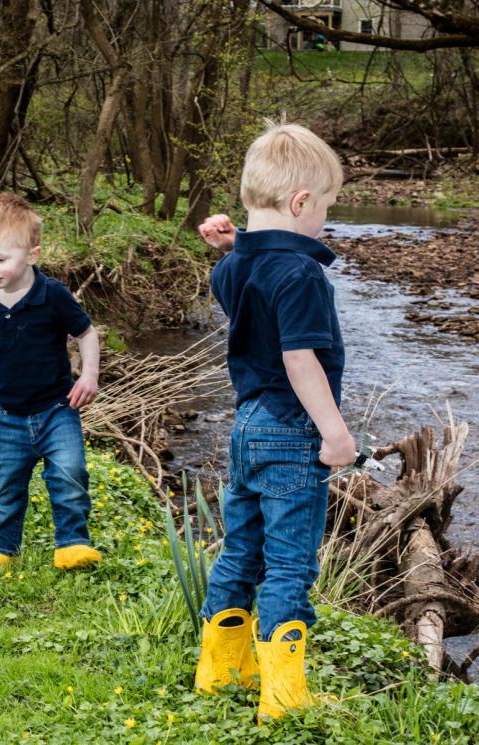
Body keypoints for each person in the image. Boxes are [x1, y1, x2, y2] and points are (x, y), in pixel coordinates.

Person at [192, 120, 356, 720]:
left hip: (245, 430)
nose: (325, 222)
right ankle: (284, 696)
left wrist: (232, 246)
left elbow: (237, 279)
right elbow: (299, 356)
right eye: (326, 209)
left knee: (239, 552)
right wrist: (335, 432)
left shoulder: (234, 265)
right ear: (300, 202)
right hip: (291, 429)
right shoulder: (302, 273)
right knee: (289, 564)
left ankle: (219, 671)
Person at [0, 192, 103, 572]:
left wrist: (88, 375)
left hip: (57, 410)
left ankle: (72, 544)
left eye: (1, 259)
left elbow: (86, 334)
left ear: (32, 254)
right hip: (6, 415)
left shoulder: (51, 295)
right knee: (5, 485)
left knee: (69, 475)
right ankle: (1, 548)